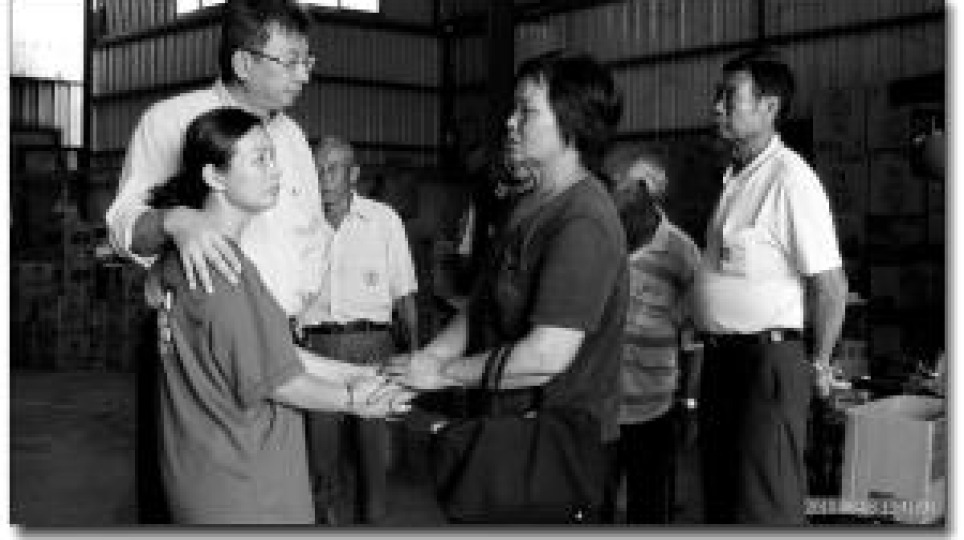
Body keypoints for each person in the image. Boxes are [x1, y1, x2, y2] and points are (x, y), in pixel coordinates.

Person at [104, 0, 324, 521]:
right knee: (195, 496)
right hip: (199, 354)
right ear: (245, 62)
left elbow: (312, 236)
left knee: (274, 491)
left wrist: (299, 315)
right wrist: (176, 220)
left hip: (275, 343)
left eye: (308, 60)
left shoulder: (292, 139)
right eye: (291, 60)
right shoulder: (170, 121)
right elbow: (122, 225)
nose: (304, 74)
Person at [387, 49, 626, 524]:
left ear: (572, 124)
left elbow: (545, 356)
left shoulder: (583, 220)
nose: (510, 123)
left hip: (552, 446)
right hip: (503, 428)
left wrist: (444, 374)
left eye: (527, 111)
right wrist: (428, 358)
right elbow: (481, 305)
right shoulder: (527, 204)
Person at [146, 107, 413, 524]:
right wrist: (354, 400)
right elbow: (278, 381)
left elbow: (269, 352)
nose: (278, 172)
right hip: (246, 490)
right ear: (215, 176)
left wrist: (354, 374)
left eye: (274, 157)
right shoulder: (223, 273)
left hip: (203, 472)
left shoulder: (194, 257)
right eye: (259, 160)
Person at [693, 49, 848, 525]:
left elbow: (831, 286)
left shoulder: (789, 179)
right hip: (722, 364)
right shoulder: (735, 179)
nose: (717, 106)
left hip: (767, 365)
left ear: (769, 107)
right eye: (717, 95)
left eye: (730, 96)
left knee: (766, 505)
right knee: (722, 500)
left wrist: (820, 363)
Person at [294, 136, 420, 525]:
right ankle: (324, 522)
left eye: (332, 169)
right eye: (316, 169)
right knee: (320, 457)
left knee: (374, 455)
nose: (323, 178)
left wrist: (415, 358)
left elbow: (404, 294)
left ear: (353, 174)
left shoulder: (383, 220)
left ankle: (373, 524)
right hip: (315, 350)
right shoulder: (298, 222)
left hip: (374, 348)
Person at [604, 150, 701, 524]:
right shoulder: (600, 240)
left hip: (654, 411)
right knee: (591, 507)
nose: (607, 193)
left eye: (616, 186)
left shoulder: (681, 252)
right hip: (599, 407)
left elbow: (695, 338)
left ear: (643, 192)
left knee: (648, 512)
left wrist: (689, 405)